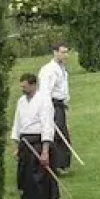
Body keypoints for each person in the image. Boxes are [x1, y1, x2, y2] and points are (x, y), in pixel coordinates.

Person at [9, 73, 59, 199]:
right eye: (21, 87)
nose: (22, 89)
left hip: (38, 142)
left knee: (42, 175)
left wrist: (45, 151)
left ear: (33, 85)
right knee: (25, 177)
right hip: (25, 143)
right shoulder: (21, 102)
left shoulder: (43, 100)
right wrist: (17, 146)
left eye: (25, 87)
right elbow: (17, 124)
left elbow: (47, 125)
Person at [38, 42, 73, 173]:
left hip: (60, 105)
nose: (66, 55)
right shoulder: (49, 70)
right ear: (55, 52)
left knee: (63, 133)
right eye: (63, 52)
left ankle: (63, 164)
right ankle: (55, 164)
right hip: (51, 105)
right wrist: (48, 112)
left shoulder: (62, 69)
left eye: (66, 52)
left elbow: (63, 90)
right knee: (56, 134)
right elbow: (45, 92)